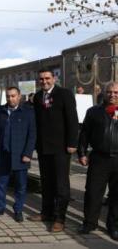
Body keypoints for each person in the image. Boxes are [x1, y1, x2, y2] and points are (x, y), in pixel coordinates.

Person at [30, 68, 79, 232]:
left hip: (61, 147)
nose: (44, 81)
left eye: (47, 78)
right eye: (41, 79)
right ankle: (47, 213)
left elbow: (72, 120)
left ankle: (60, 218)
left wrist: (72, 143)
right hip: (43, 148)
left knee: (61, 185)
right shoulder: (37, 97)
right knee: (46, 182)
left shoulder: (64, 94)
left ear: (54, 78)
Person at [0, 87, 36, 222]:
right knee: (1, 183)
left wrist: (28, 154)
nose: (10, 99)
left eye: (13, 96)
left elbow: (32, 135)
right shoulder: (0, 111)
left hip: (21, 155)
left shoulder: (28, 112)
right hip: (3, 153)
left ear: (19, 96)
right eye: (8, 96)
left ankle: (18, 210)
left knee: (20, 185)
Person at [77, 82, 118, 240]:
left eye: (115, 92)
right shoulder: (94, 112)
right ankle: (89, 222)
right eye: (109, 92)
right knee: (93, 193)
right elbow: (84, 134)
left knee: (116, 195)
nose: (112, 95)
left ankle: (113, 226)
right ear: (104, 93)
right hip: (99, 158)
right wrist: (81, 153)